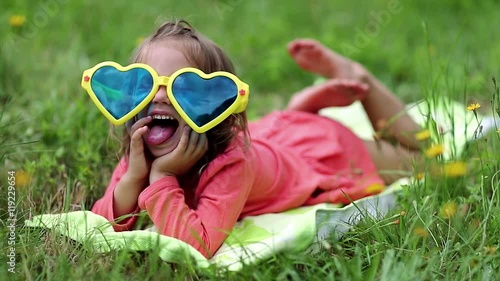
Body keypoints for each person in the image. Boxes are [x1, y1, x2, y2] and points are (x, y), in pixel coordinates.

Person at [91, 19, 423, 258]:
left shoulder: (231, 162)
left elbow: (195, 245)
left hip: (321, 150)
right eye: (146, 84)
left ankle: (360, 79)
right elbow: (104, 226)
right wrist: (135, 177)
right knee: (286, 133)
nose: (160, 97)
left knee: (423, 158)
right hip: (278, 139)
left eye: (184, 87)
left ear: (215, 108)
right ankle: (301, 111)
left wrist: (161, 177)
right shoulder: (144, 146)